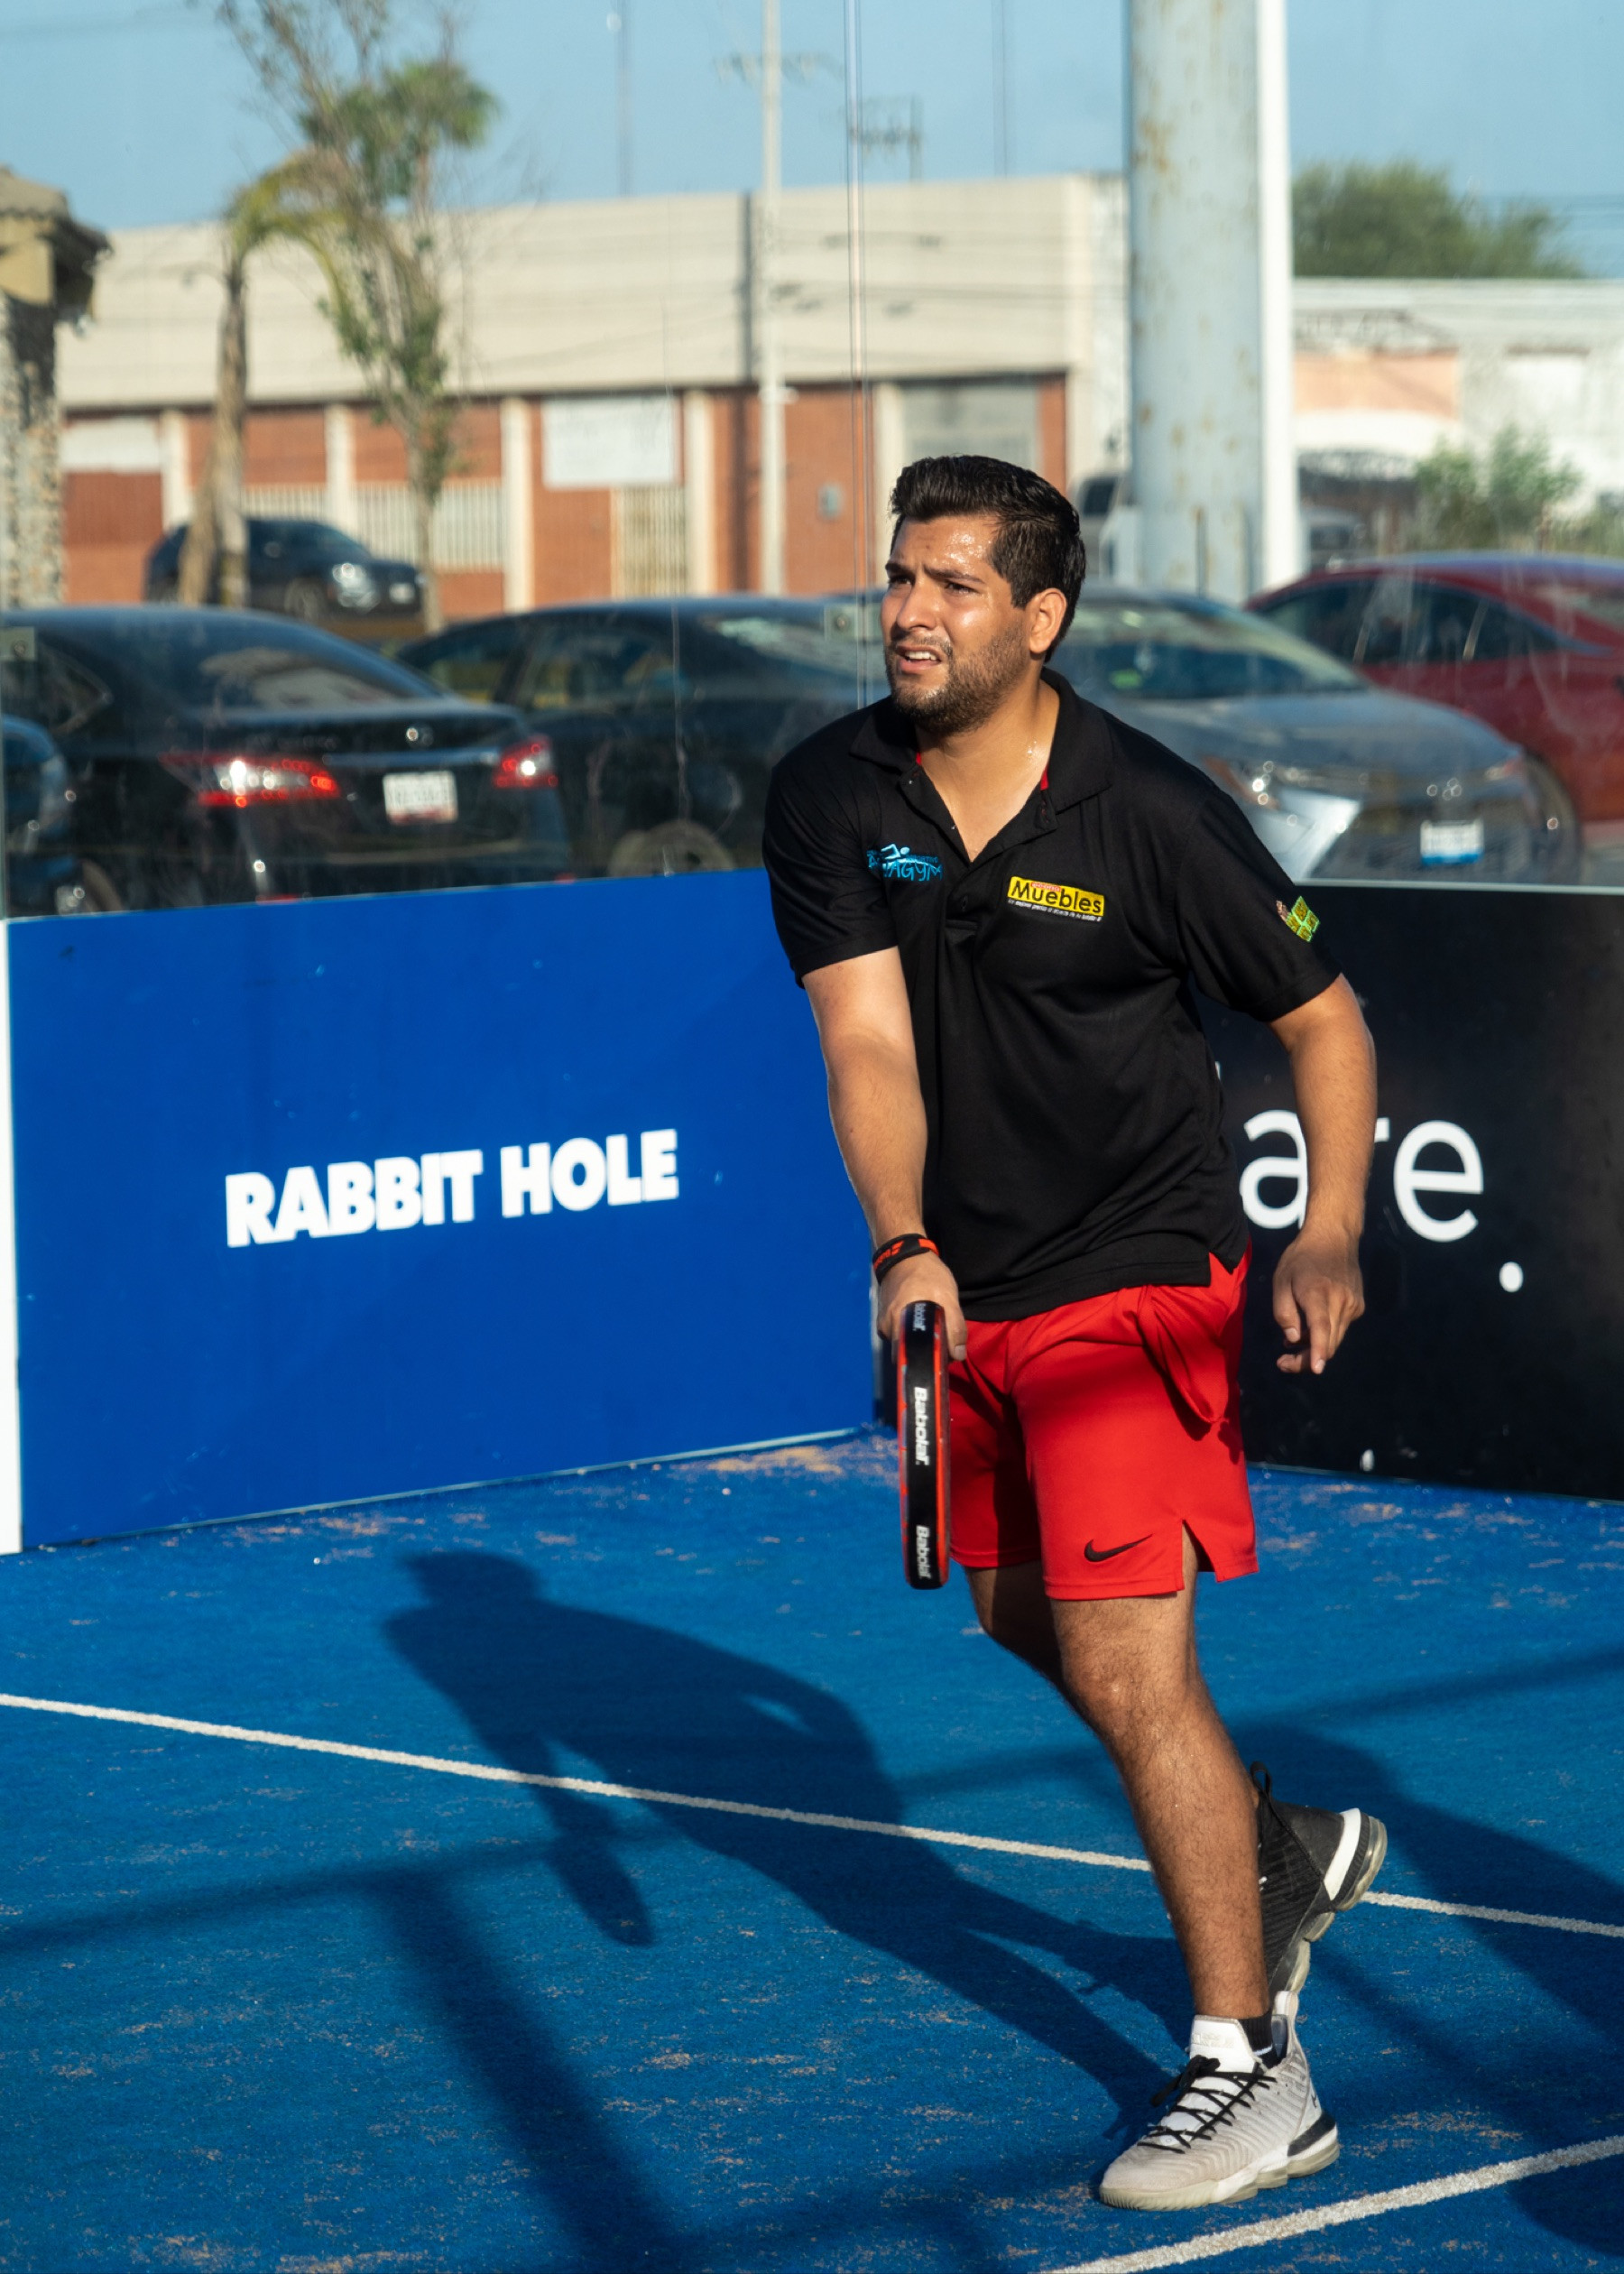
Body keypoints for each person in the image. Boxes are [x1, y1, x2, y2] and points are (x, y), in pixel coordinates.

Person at [761, 456, 1387, 2213]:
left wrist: (1330, 1224)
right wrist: (902, 1241)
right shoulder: (831, 795)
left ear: (1039, 619)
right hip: (971, 1282)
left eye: (953, 584)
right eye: (901, 575)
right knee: (1010, 1606)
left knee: (1125, 1662)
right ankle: (1272, 1846)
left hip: (1140, 1269)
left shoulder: (1153, 813)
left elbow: (1326, 1020)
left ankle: (1253, 2070)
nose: (909, 610)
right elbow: (866, 1044)